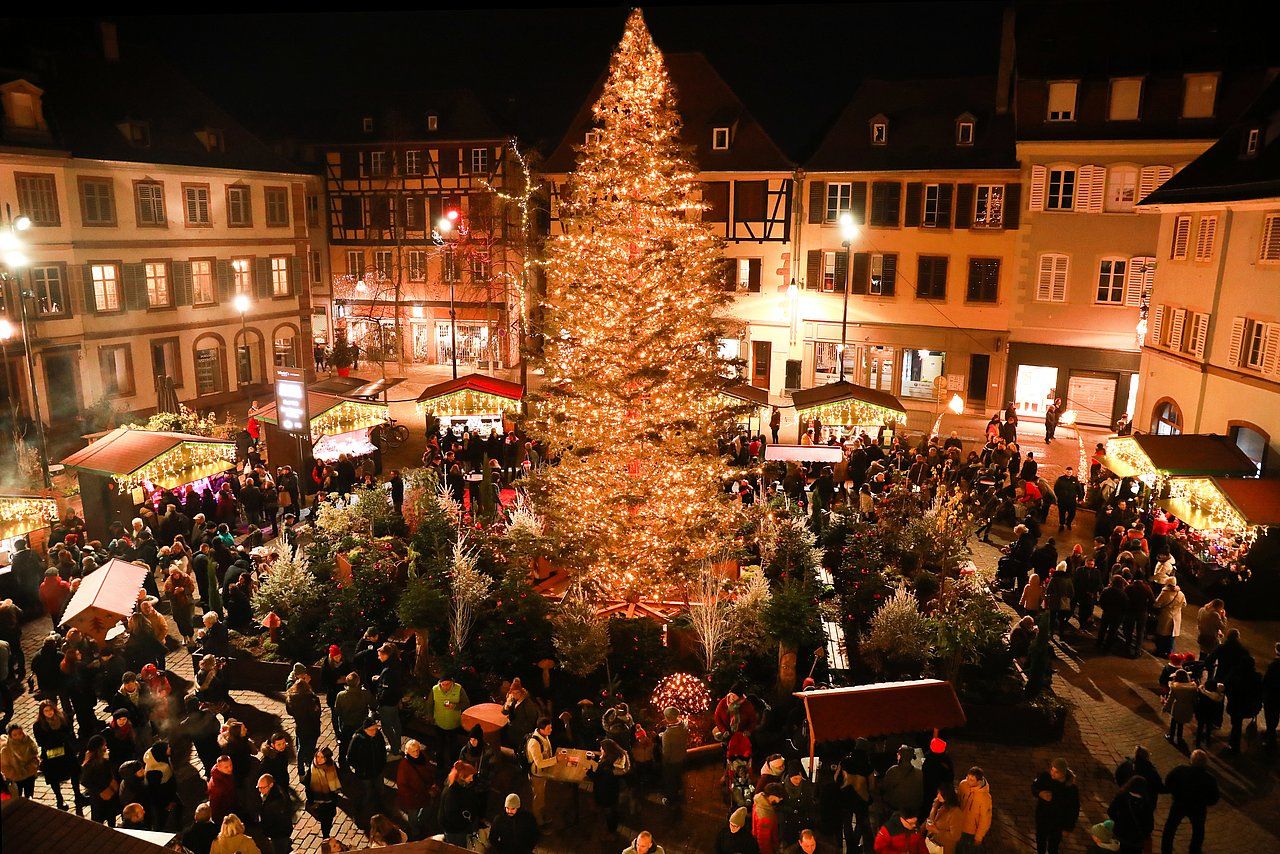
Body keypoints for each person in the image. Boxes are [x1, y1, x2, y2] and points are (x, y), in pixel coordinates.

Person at [1161, 749, 1219, 854]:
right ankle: (1194, 850)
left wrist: (1175, 793)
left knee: (1170, 827)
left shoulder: (1180, 770)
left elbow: (1168, 781)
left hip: (1179, 803)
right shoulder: (1209, 778)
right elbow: (1214, 798)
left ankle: (1166, 850)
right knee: (1198, 830)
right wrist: (1204, 802)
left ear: (1191, 760)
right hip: (1198, 808)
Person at [33, 698, 81, 811]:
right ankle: (59, 799)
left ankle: (78, 795)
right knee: (54, 777)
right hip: (51, 754)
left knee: (75, 772)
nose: (49, 712)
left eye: (50, 710)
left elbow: (69, 731)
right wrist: (57, 738)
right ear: (42, 713)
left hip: (66, 750)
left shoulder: (62, 717)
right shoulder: (38, 725)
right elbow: (41, 742)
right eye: (46, 711)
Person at [1031, 758, 1079, 854]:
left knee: (1053, 846)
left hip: (1058, 822)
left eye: (1056, 772)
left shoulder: (1071, 789)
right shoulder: (1045, 777)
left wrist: (1068, 828)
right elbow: (1034, 786)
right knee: (1040, 841)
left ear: (1063, 773)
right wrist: (1040, 793)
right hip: (1042, 818)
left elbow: (1073, 810)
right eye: (1052, 770)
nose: (1052, 773)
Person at [396, 739, 437, 840]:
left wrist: (432, 783)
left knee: (428, 807)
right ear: (407, 752)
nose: (416, 753)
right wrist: (415, 795)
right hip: (413, 798)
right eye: (413, 751)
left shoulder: (423, 756)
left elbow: (429, 770)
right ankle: (415, 830)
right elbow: (402, 786)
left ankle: (421, 822)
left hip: (426, 792)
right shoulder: (404, 766)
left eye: (417, 750)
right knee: (413, 816)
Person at [348, 717, 388, 815]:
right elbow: (350, 758)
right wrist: (360, 768)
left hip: (378, 770)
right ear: (365, 730)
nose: (374, 731)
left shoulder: (378, 735)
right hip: (365, 774)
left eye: (375, 729)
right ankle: (362, 808)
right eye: (371, 730)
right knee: (367, 791)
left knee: (380, 789)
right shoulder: (357, 739)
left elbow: (383, 749)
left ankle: (380, 805)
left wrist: (382, 763)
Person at [427, 675, 469, 768]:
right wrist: (430, 717)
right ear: (440, 683)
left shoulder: (459, 689)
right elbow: (430, 704)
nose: (445, 686)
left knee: (453, 744)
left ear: (452, 682)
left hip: (453, 723)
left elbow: (466, 703)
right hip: (439, 723)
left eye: (448, 684)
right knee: (439, 744)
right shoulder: (435, 690)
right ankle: (440, 764)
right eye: (443, 684)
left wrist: (455, 706)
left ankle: (454, 763)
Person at [439, 760, 482, 848]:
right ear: (462, 777)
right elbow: (452, 816)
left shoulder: (457, 786)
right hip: (455, 830)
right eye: (470, 777)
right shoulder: (452, 793)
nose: (472, 779)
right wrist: (466, 823)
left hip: (455, 828)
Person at [372, 643, 404, 756]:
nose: (378, 657)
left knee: (387, 727)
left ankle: (394, 749)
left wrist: (379, 701)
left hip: (387, 704)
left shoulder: (388, 670)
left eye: (380, 655)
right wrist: (380, 678)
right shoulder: (397, 663)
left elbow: (386, 690)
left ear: (386, 655)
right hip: (395, 701)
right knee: (396, 724)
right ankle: (398, 745)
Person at [1108, 776, 1154, 854]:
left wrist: (1119, 821)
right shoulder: (1145, 803)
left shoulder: (1121, 796)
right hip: (1136, 839)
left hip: (1121, 834)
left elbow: (1110, 811)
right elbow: (1149, 824)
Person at [333, 673, 372, 765]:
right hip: (360, 724)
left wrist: (337, 730)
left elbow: (336, 713)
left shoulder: (341, 695)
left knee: (344, 745)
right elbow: (374, 705)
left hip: (346, 724)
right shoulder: (365, 693)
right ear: (358, 682)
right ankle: (359, 762)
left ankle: (342, 762)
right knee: (360, 744)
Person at [305, 748, 343, 842]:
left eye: (322, 757)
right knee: (324, 821)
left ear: (327, 758)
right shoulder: (312, 768)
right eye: (317, 756)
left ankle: (326, 833)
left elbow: (338, 780)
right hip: (318, 800)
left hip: (330, 800)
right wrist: (311, 801)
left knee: (329, 820)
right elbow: (307, 785)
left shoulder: (332, 767)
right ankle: (325, 836)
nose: (319, 759)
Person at [525, 717, 556, 827]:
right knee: (538, 797)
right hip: (537, 774)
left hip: (543, 772)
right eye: (548, 728)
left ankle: (541, 813)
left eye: (551, 727)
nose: (551, 730)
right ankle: (538, 821)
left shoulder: (544, 736)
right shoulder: (534, 743)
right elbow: (539, 763)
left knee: (541, 795)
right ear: (541, 729)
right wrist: (556, 760)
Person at [255, 774, 294, 854]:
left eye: (262, 788)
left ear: (271, 785)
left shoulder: (275, 803)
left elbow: (271, 821)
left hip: (279, 834)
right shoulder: (274, 792)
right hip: (280, 832)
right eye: (259, 787)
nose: (260, 790)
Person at [881, 745, 923, 817]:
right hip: (913, 807)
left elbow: (885, 787)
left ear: (899, 756)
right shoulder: (919, 772)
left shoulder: (893, 771)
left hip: (896, 807)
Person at [658, 706, 687, 810]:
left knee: (670, 780)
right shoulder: (683, 726)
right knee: (678, 775)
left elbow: (666, 752)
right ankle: (680, 790)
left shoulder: (667, 734)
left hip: (672, 761)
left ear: (667, 718)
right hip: (681, 757)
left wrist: (664, 761)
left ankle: (670, 799)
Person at [957, 766, 992, 851]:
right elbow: (958, 800)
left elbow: (985, 819)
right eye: (967, 777)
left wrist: (979, 837)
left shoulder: (984, 798)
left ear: (979, 782)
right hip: (958, 824)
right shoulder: (963, 784)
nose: (968, 781)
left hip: (970, 831)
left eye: (971, 780)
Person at [0, 723, 40, 798]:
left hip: (30, 774)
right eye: (15, 735)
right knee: (18, 797)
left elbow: (35, 755)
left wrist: (32, 767)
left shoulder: (29, 742)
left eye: (20, 733)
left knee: (29, 795)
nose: (18, 736)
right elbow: (4, 766)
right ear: (10, 736)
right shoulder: (6, 749)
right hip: (16, 778)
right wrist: (14, 774)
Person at [1152, 580, 1185, 659]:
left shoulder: (1165, 593)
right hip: (1176, 617)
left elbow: (1156, 604)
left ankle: (1160, 651)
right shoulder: (1180, 593)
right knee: (1171, 635)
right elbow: (1184, 604)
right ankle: (1169, 653)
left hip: (1166, 616)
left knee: (1161, 635)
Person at [926, 784, 963, 854]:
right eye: (938, 793)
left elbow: (955, 836)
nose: (938, 796)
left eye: (941, 794)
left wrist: (936, 831)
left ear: (948, 796)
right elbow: (931, 819)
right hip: (934, 843)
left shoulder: (955, 812)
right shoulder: (940, 805)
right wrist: (934, 807)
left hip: (945, 848)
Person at [1163, 670, 1197, 747]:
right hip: (1187, 707)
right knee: (1181, 724)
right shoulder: (1193, 687)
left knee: (1173, 723)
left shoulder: (1175, 687)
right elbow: (1194, 699)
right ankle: (1179, 738)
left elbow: (1170, 699)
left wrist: (1165, 707)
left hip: (1177, 708)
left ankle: (1171, 737)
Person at [752, 781, 785, 854]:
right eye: (779, 798)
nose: (780, 800)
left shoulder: (760, 802)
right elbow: (764, 842)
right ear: (772, 796)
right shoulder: (765, 816)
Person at [207, 755, 239, 823]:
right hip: (225, 816)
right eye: (226, 767)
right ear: (218, 767)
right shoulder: (216, 786)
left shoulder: (225, 774)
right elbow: (214, 807)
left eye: (231, 765)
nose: (230, 768)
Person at [1262, 642, 1280, 748]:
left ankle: (1271, 740)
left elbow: (1266, 681)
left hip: (1273, 696)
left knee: (1271, 717)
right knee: (1275, 716)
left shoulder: (1274, 665)